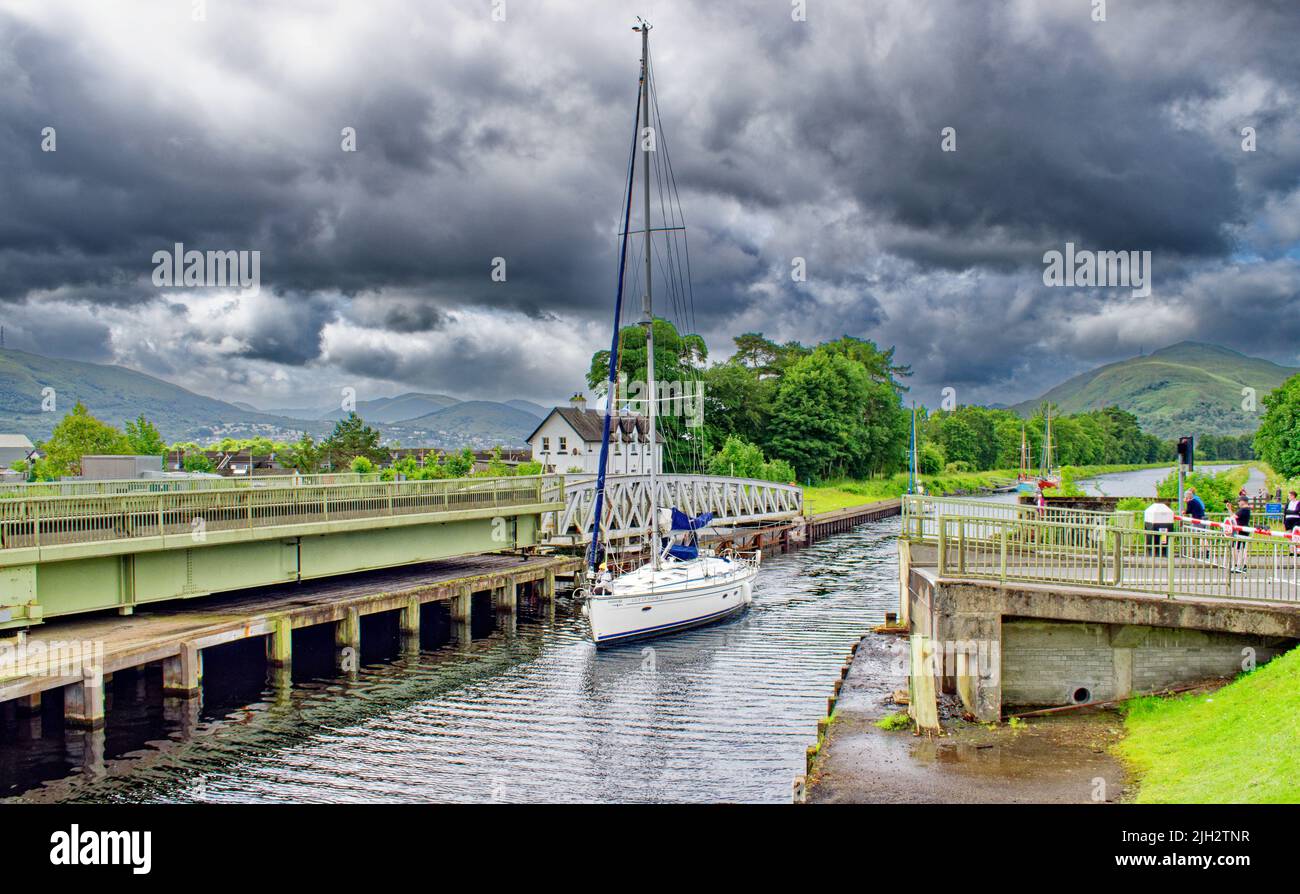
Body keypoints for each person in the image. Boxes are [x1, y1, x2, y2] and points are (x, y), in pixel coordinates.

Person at [1231, 497, 1252, 573]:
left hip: (1240, 530)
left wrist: (1229, 510)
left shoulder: (1243, 510)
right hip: (1245, 529)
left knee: (1236, 548)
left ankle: (1237, 565)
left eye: (1239, 501)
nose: (1238, 503)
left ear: (1243, 502)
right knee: (1243, 548)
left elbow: (1233, 518)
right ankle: (1243, 565)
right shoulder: (1247, 509)